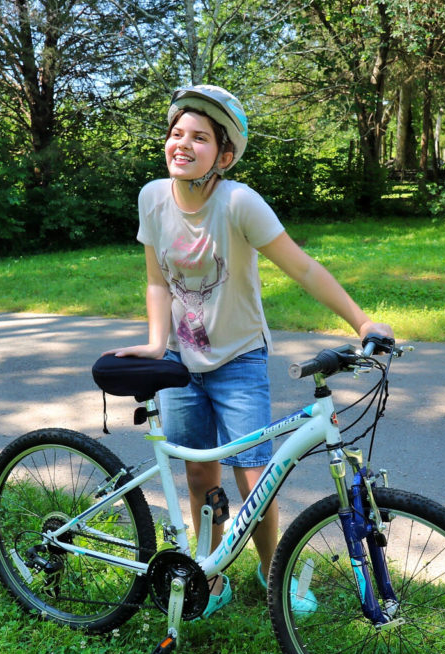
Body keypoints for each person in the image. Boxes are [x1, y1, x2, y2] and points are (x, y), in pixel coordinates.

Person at [106, 85, 394, 617]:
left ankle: (272, 573)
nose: (182, 144)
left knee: (255, 477)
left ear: (225, 154)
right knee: (198, 476)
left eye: (199, 137)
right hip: (182, 364)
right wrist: (154, 342)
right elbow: (155, 282)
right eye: (176, 134)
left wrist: (362, 320)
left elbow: (303, 266)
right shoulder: (152, 198)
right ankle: (211, 577)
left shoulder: (237, 202)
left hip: (239, 359)